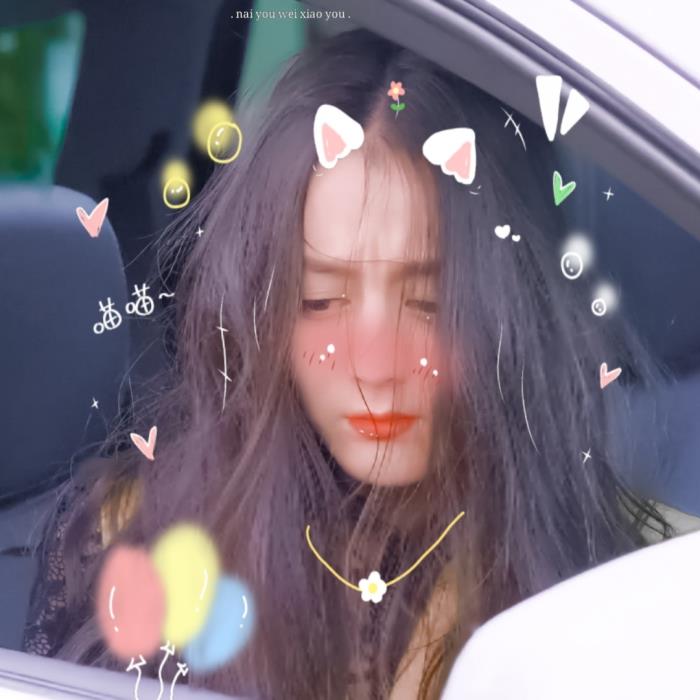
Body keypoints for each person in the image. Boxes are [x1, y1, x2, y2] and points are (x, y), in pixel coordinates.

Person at [23, 28, 670, 700]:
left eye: (430, 304)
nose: (374, 364)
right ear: (263, 311)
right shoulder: (126, 535)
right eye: (322, 300)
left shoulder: (624, 592)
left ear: (513, 310)